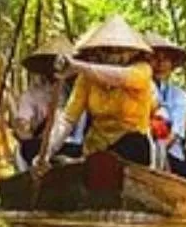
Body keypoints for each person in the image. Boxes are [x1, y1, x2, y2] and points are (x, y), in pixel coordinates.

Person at [43, 15, 160, 167]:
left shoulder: (142, 71)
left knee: (135, 142)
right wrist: (47, 152)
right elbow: (68, 119)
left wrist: (77, 66)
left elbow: (119, 77)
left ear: (132, 53)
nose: (114, 56)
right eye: (108, 51)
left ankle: (85, 164)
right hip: (95, 149)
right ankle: (85, 163)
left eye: (121, 51)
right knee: (33, 148)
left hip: (131, 149)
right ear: (98, 52)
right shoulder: (87, 78)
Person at [146, 33, 186, 184]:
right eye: (155, 58)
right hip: (142, 147)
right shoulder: (135, 88)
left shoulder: (179, 96)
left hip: (167, 152)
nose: (160, 64)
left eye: (165, 59)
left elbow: (175, 134)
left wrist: (156, 154)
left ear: (172, 65)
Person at [10, 36, 74, 171]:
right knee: (28, 148)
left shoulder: (77, 91)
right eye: (55, 63)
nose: (58, 68)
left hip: (72, 146)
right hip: (40, 146)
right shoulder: (31, 95)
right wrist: (23, 128)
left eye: (65, 64)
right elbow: (23, 126)